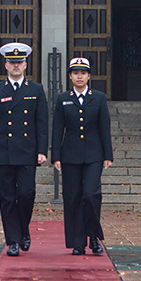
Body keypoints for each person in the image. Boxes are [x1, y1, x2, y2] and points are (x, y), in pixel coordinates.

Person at [0, 43, 49, 256]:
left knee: (26, 194)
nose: (16, 66)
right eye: (12, 62)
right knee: (7, 198)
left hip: (28, 152)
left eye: (19, 62)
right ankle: (13, 240)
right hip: (3, 152)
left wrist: (42, 150)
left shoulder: (36, 90)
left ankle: (23, 230)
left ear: (26, 64)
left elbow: (42, 123)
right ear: (6, 65)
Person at [51, 58, 113, 256]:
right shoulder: (62, 99)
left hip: (94, 154)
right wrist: (56, 156)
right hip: (70, 155)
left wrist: (108, 154)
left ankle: (93, 236)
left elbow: (104, 127)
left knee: (91, 195)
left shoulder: (99, 97)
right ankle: (78, 242)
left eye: (83, 73)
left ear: (89, 76)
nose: (79, 76)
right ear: (70, 76)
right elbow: (58, 128)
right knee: (73, 198)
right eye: (75, 73)